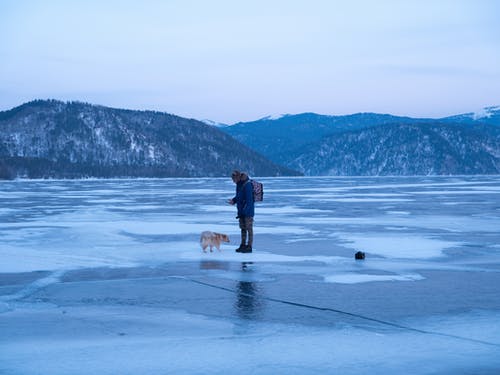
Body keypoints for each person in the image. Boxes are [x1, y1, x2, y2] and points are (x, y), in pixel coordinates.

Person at [228, 170, 254, 253]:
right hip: (241, 211)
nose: (233, 181)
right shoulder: (238, 185)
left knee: (249, 228)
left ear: (238, 177)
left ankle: (249, 246)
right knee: (243, 228)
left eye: (234, 179)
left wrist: (245, 211)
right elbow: (239, 196)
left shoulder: (247, 184)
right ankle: (243, 245)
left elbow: (249, 200)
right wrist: (234, 200)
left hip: (247, 212)